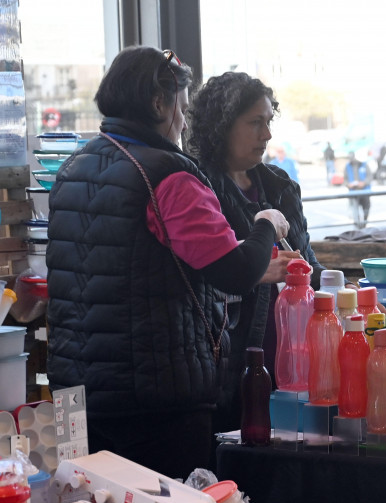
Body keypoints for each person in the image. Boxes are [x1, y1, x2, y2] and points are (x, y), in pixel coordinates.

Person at [46, 46, 290, 480]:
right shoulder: (168, 176)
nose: (182, 119)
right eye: (180, 104)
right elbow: (236, 270)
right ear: (159, 103)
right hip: (153, 401)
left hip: (76, 392)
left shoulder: (74, 168)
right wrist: (265, 223)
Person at [188, 71, 324, 434]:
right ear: (222, 126)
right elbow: (195, 282)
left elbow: (311, 265)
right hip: (229, 364)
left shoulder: (280, 186)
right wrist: (256, 270)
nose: (266, 135)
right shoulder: (198, 189)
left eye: (268, 122)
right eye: (255, 123)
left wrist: (311, 276)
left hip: (293, 360)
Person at [344, 151, 371, 228]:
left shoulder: (364, 165)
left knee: (366, 209)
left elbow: (369, 176)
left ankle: (364, 224)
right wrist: (348, 185)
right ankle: (358, 226)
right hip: (353, 192)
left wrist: (364, 183)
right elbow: (345, 179)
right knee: (355, 212)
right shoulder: (347, 166)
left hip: (365, 191)